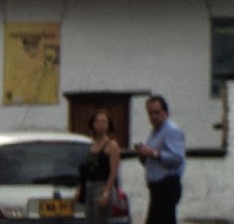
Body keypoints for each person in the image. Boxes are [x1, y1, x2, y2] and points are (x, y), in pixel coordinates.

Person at [133, 95, 186, 224]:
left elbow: (177, 158)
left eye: (157, 112)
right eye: (150, 113)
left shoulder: (171, 131)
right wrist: (143, 155)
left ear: (165, 113)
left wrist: (153, 153)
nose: (153, 117)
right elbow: (152, 161)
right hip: (156, 188)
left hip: (167, 186)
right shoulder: (155, 132)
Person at [75, 109, 121, 224]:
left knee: (99, 219)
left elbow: (113, 172)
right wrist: (80, 188)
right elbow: (86, 170)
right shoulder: (92, 144)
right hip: (89, 187)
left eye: (104, 122)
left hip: (102, 186)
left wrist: (106, 193)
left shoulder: (112, 145)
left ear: (108, 124)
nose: (100, 124)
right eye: (97, 121)